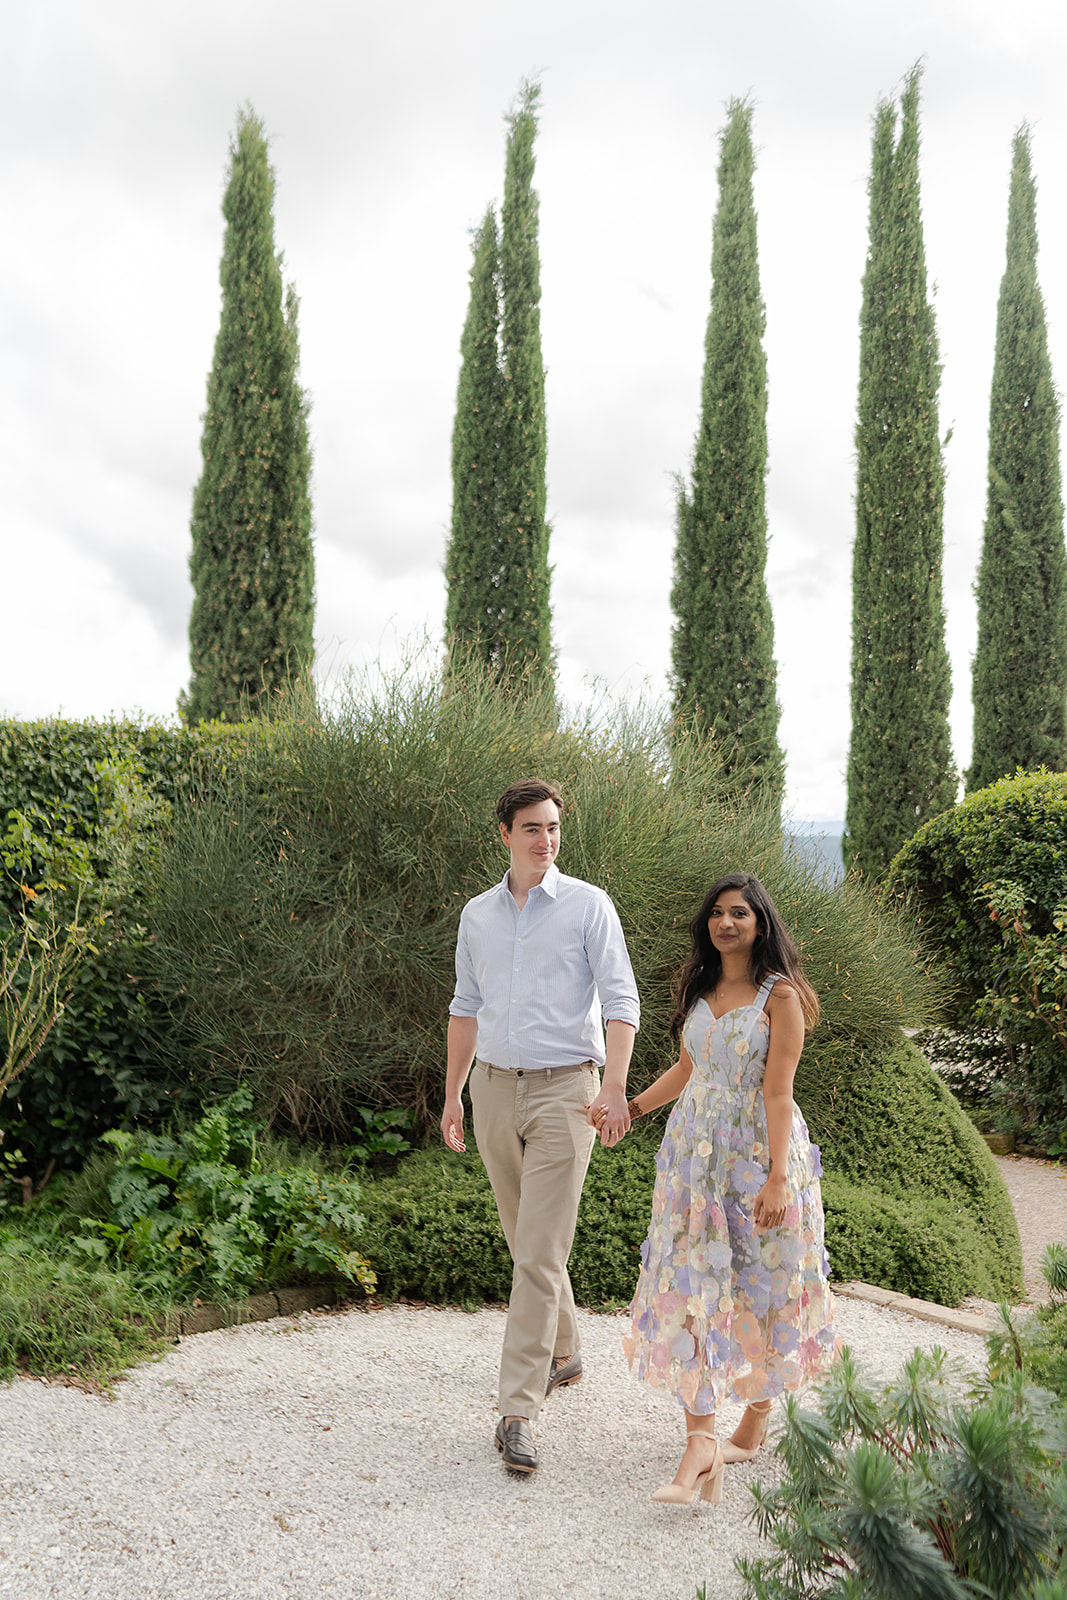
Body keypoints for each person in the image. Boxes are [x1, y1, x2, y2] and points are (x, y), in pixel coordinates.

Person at [441, 778, 640, 1475]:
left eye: (553, 828)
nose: (545, 840)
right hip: (493, 1090)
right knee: (524, 1241)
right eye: (531, 828)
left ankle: (517, 1410)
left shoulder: (589, 906)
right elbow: (464, 1006)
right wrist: (453, 1094)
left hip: (566, 1096)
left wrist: (613, 1087)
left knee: (537, 1251)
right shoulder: (477, 915)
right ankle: (565, 1352)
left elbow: (620, 1002)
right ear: (504, 834)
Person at [619, 872, 836, 1505]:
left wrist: (774, 1179)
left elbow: (777, 1090)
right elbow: (689, 1068)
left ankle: (755, 1419)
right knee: (691, 1282)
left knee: (764, 1280)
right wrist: (633, 1107)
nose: (726, 923)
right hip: (692, 1160)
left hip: (757, 1157)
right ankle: (700, 1439)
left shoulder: (781, 996)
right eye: (717, 913)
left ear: (760, 924)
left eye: (739, 913)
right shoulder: (700, 985)